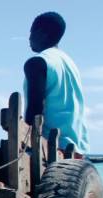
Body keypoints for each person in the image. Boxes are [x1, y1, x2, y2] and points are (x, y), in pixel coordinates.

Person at [23, 11, 88, 159]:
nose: (29, 38)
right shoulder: (70, 63)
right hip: (77, 149)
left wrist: (24, 140)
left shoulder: (38, 62)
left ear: (42, 33)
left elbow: (35, 110)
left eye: (32, 32)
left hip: (52, 148)